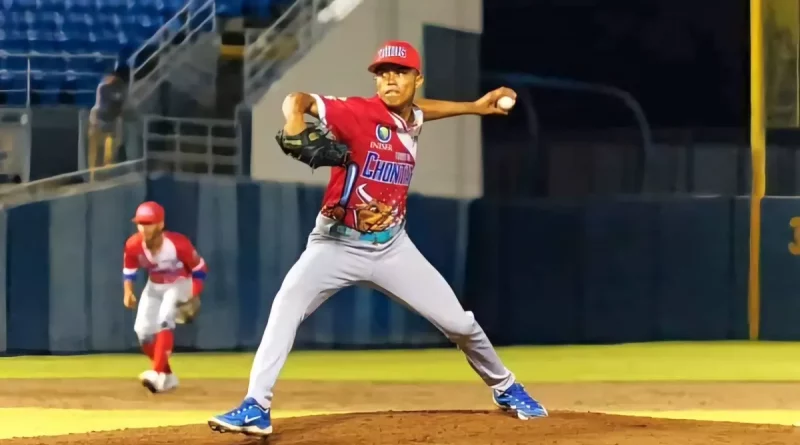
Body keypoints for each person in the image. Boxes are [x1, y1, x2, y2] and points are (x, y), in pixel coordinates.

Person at [208, 40, 547, 437]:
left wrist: (474, 106)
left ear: (416, 79)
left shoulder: (412, 119)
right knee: (286, 306)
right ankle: (255, 406)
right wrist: (295, 123)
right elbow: (296, 99)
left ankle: (506, 387)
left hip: (392, 249)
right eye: (382, 72)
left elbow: (422, 112)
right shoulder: (357, 112)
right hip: (334, 245)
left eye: (399, 72)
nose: (389, 78)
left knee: (461, 324)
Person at [123, 201, 208, 393]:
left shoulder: (178, 244)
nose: (144, 228)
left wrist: (194, 293)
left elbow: (200, 269)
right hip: (155, 285)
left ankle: (156, 372)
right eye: (141, 223)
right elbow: (129, 270)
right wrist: (128, 291)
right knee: (143, 332)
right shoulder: (133, 245)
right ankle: (167, 376)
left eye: (149, 223)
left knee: (164, 319)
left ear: (160, 224)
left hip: (180, 283)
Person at [88, 64, 129, 181]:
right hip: (99, 121)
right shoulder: (102, 87)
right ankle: (93, 177)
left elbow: (120, 108)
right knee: (95, 154)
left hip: (112, 123)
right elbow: (97, 106)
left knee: (109, 152)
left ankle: (107, 177)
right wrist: (93, 122)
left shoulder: (121, 89)